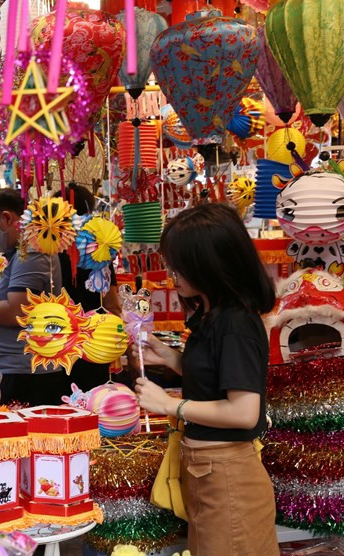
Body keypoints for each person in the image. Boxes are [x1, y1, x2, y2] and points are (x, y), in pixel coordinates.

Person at [132, 203, 278, 555]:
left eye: (179, 265)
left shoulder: (235, 323)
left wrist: (170, 405)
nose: (172, 273)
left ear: (210, 264)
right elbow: (216, 377)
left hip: (228, 472)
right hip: (208, 468)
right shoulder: (212, 314)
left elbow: (243, 412)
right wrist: (167, 356)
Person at [0, 188, 64, 407]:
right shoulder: (22, 253)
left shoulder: (30, 253)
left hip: (25, 371)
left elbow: (16, 312)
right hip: (17, 368)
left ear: (6, 218)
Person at [58, 184, 124, 391]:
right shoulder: (101, 252)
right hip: (96, 340)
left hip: (58, 341)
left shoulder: (50, 250)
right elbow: (113, 306)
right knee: (96, 405)